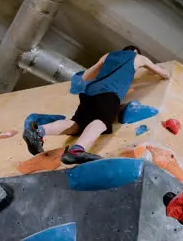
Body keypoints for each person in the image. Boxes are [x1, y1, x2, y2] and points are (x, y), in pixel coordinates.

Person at [23, 45, 169, 164]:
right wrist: (164, 72)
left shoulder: (108, 55)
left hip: (90, 92)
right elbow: (163, 74)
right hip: (110, 93)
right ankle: (77, 150)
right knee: (102, 122)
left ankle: (39, 131)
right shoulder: (139, 58)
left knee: (77, 123)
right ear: (135, 51)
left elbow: (86, 76)